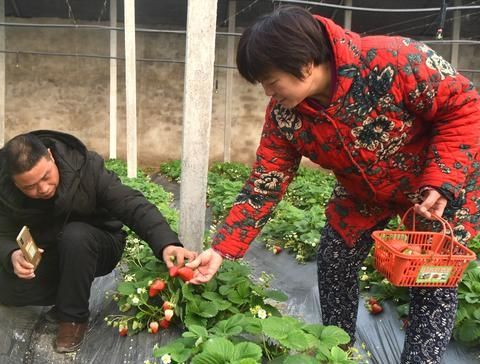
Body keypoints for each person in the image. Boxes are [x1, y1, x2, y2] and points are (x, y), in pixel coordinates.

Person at [186, 6, 479, 364]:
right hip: (363, 191)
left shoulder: (395, 59)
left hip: (434, 187)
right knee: (335, 256)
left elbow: (466, 106)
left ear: (306, 64)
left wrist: (443, 181)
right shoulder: (285, 116)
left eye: (271, 81)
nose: (267, 92)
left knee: (432, 276)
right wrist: (222, 249)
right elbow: (265, 182)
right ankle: (335, 351)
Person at [0, 130, 194, 353]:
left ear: (51, 156)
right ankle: (71, 293)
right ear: (15, 183)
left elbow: (131, 204)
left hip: (99, 243)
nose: (43, 188)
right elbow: (0, 234)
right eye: (30, 187)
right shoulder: (6, 193)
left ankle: (73, 318)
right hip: (54, 252)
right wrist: (12, 255)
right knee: (5, 290)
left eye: (46, 176)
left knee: (75, 235)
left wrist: (167, 243)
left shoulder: (86, 167)